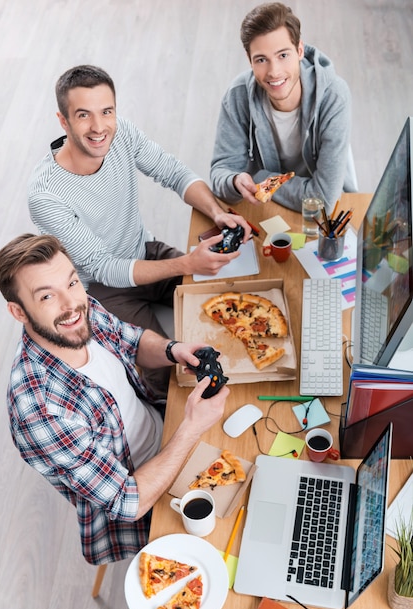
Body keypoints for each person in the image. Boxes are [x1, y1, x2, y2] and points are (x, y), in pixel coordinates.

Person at [0, 233, 230, 565]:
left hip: (169, 426)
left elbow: (129, 339)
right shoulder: (38, 410)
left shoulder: (80, 309)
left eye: (72, 282)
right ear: (18, 312)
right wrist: (191, 429)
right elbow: (128, 502)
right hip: (147, 495)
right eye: (47, 296)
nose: (71, 304)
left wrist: (172, 350)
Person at [28, 64, 251, 399]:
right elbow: (104, 266)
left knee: (231, 300)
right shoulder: (46, 195)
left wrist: (218, 212)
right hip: (104, 290)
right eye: (83, 115)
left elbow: (174, 173)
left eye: (107, 111)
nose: (99, 127)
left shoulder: (122, 134)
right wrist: (187, 264)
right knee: (174, 371)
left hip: (144, 251)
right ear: (63, 121)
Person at [210, 2, 358, 214]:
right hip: (262, 206)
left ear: (299, 50)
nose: (274, 71)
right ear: (249, 60)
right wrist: (234, 180)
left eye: (283, 55)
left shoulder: (333, 96)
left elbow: (322, 200)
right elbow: (220, 172)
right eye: (261, 59)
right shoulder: (237, 96)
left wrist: (261, 178)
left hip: (322, 218)